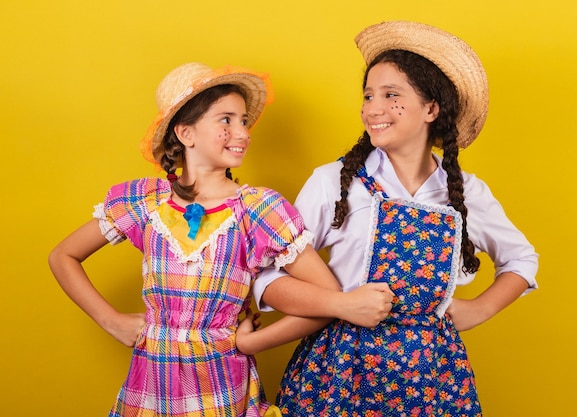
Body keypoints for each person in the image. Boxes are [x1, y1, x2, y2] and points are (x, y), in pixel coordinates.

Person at [48, 62, 394, 417]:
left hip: (222, 387)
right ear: (186, 133)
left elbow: (330, 300)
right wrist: (112, 321)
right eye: (226, 120)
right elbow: (63, 256)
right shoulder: (144, 202)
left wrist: (251, 341)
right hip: (151, 384)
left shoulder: (259, 210)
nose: (242, 132)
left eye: (244, 121)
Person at [241, 21, 539, 416]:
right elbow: (266, 273)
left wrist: (479, 309)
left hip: (430, 375)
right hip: (340, 370)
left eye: (391, 95)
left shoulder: (465, 192)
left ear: (431, 108)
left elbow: (521, 259)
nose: (372, 109)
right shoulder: (333, 183)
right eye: (368, 95)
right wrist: (339, 304)